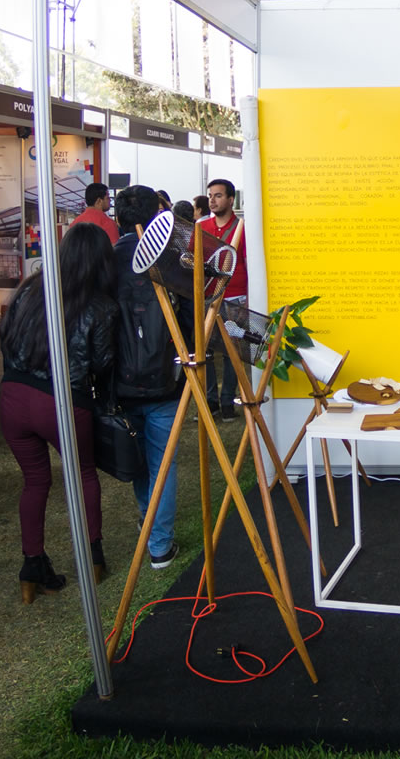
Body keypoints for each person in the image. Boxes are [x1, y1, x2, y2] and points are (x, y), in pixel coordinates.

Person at [0, 222, 117, 601]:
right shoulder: (101, 305)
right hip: (62, 400)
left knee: (34, 481)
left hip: (13, 395)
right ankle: (93, 557)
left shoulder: (30, 289)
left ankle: (31, 566)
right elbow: (101, 362)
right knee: (83, 475)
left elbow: (5, 338)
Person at [113, 185, 189, 569]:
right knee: (162, 461)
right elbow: (191, 315)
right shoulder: (168, 260)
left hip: (121, 380)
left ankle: (151, 527)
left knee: (140, 458)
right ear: (156, 216)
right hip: (165, 378)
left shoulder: (107, 261)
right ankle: (159, 544)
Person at [198, 178, 246, 420]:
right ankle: (210, 402)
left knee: (231, 352)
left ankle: (227, 402)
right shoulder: (201, 227)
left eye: (218, 195)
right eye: (210, 196)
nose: (212, 200)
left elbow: (248, 263)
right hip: (207, 296)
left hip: (235, 297)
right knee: (204, 351)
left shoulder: (242, 228)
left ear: (230, 199)